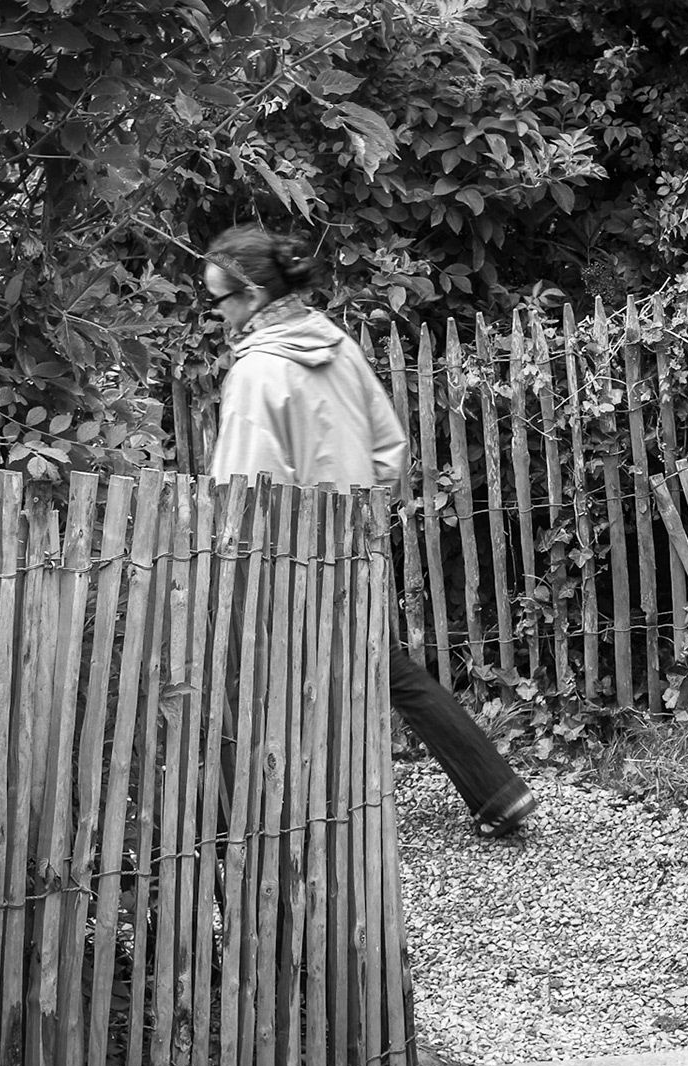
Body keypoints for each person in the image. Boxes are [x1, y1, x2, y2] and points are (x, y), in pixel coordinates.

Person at [197, 223, 539, 838]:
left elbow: (242, 491)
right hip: (352, 543)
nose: (215, 314)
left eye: (218, 299)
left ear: (249, 296)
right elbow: (388, 446)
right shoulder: (337, 346)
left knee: (269, 677)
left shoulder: (255, 376)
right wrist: (358, 511)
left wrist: (243, 561)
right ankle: (495, 790)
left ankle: (279, 819)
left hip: (286, 556)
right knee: (379, 664)